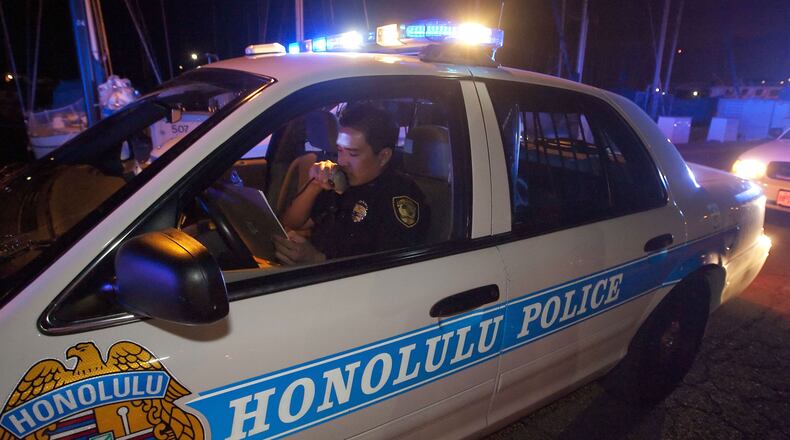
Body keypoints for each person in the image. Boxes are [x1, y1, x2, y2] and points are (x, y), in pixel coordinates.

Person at [274, 103, 429, 265]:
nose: (341, 161)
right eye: (340, 150)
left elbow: (387, 269)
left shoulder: (401, 198)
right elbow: (292, 223)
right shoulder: (341, 179)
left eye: (353, 154)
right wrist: (315, 184)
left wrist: (317, 259)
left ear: (383, 156)